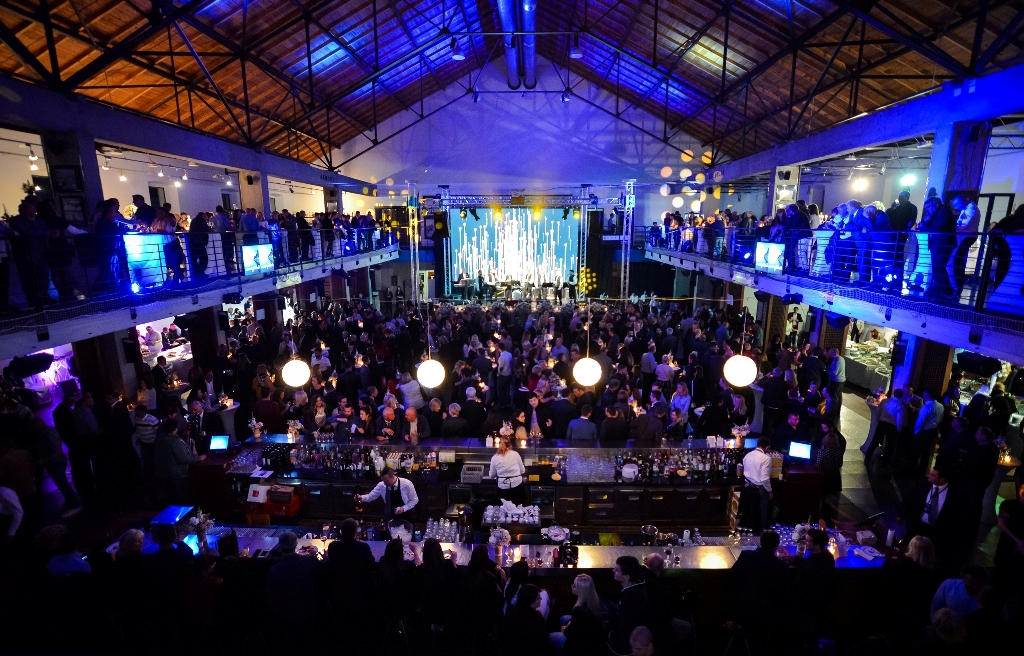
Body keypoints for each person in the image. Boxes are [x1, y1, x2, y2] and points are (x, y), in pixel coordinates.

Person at [898, 465, 971, 569]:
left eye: (932, 475)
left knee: (930, 555)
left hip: (937, 530)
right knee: (910, 549)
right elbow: (909, 498)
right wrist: (901, 514)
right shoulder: (922, 484)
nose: (928, 476)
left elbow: (958, 515)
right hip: (917, 525)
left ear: (942, 479)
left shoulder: (955, 494)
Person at [730, 530, 789, 638]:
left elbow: (733, 576)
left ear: (760, 542)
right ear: (776, 547)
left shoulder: (746, 556)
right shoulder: (781, 566)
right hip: (768, 616)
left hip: (742, 611)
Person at [264, 531, 319, 632]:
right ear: (296, 544)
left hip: (284, 620)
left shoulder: (274, 570)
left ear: (280, 547)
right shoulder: (311, 561)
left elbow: (270, 600)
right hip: (311, 614)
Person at [28, 418, 81, 517]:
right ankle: (70, 502)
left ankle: (75, 504)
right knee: (61, 484)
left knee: (63, 484)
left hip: (56, 463)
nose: (33, 431)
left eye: (33, 429)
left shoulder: (48, 434)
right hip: (55, 463)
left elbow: (57, 451)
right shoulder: (47, 432)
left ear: (37, 427)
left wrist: (42, 461)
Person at [551, 574, 605, 656]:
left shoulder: (579, 610)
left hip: (582, 646)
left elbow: (573, 634)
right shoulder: (594, 601)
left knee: (550, 636)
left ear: (581, 590)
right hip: (593, 639)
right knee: (563, 618)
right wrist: (571, 623)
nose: (571, 586)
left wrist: (565, 629)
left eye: (575, 585)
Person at [610, 556, 649, 656]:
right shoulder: (639, 588)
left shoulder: (630, 600)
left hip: (622, 648)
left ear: (626, 577)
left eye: (617, 570)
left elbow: (624, 630)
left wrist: (609, 635)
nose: (613, 570)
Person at [153, 417, 199, 504]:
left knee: (172, 497)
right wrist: (197, 457)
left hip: (164, 474)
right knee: (183, 498)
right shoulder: (176, 442)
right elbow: (185, 459)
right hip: (179, 475)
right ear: (176, 428)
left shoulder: (159, 439)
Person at [497, 583, 551, 656]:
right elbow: (544, 640)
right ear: (531, 602)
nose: (541, 599)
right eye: (538, 598)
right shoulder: (537, 619)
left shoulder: (510, 611)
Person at [742, 436, 773, 532]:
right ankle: (760, 531)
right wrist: (769, 491)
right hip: (758, 488)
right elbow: (764, 478)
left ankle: (749, 529)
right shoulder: (766, 458)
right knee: (761, 511)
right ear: (767, 447)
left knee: (749, 509)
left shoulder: (748, 455)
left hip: (747, 486)